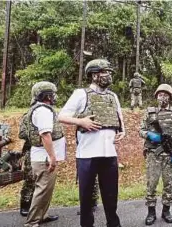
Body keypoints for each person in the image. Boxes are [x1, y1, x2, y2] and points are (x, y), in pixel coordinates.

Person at [58, 59, 125, 227]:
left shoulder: (113, 96)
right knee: (86, 198)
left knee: (111, 196)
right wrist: (82, 122)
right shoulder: (81, 94)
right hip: (87, 155)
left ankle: (113, 224)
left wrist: (122, 131)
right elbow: (61, 116)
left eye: (109, 72)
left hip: (109, 154)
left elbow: (119, 117)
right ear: (94, 75)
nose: (108, 75)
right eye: (105, 72)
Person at [139, 84, 172, 225]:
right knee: (151, 184)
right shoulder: (149, 113)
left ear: (170, 97)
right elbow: (140, 130)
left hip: (170, 156)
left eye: (166, 95)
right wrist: (148, 134)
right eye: (160, 94)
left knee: (169, 185)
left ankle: (166, 211)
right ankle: (151, 213)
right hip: (153, 154)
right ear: (156, 96)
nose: (162, 97)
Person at [24, 81, 66, 227]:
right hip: (44, 158)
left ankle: (42, 215)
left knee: (46, 190)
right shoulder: (43, 111)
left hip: (43, 157)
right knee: (42, 191)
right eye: (53, 94)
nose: (55, 96)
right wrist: (52, 157)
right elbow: (45, 135)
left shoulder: (42, 109)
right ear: (46, 95)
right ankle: (32, 222)